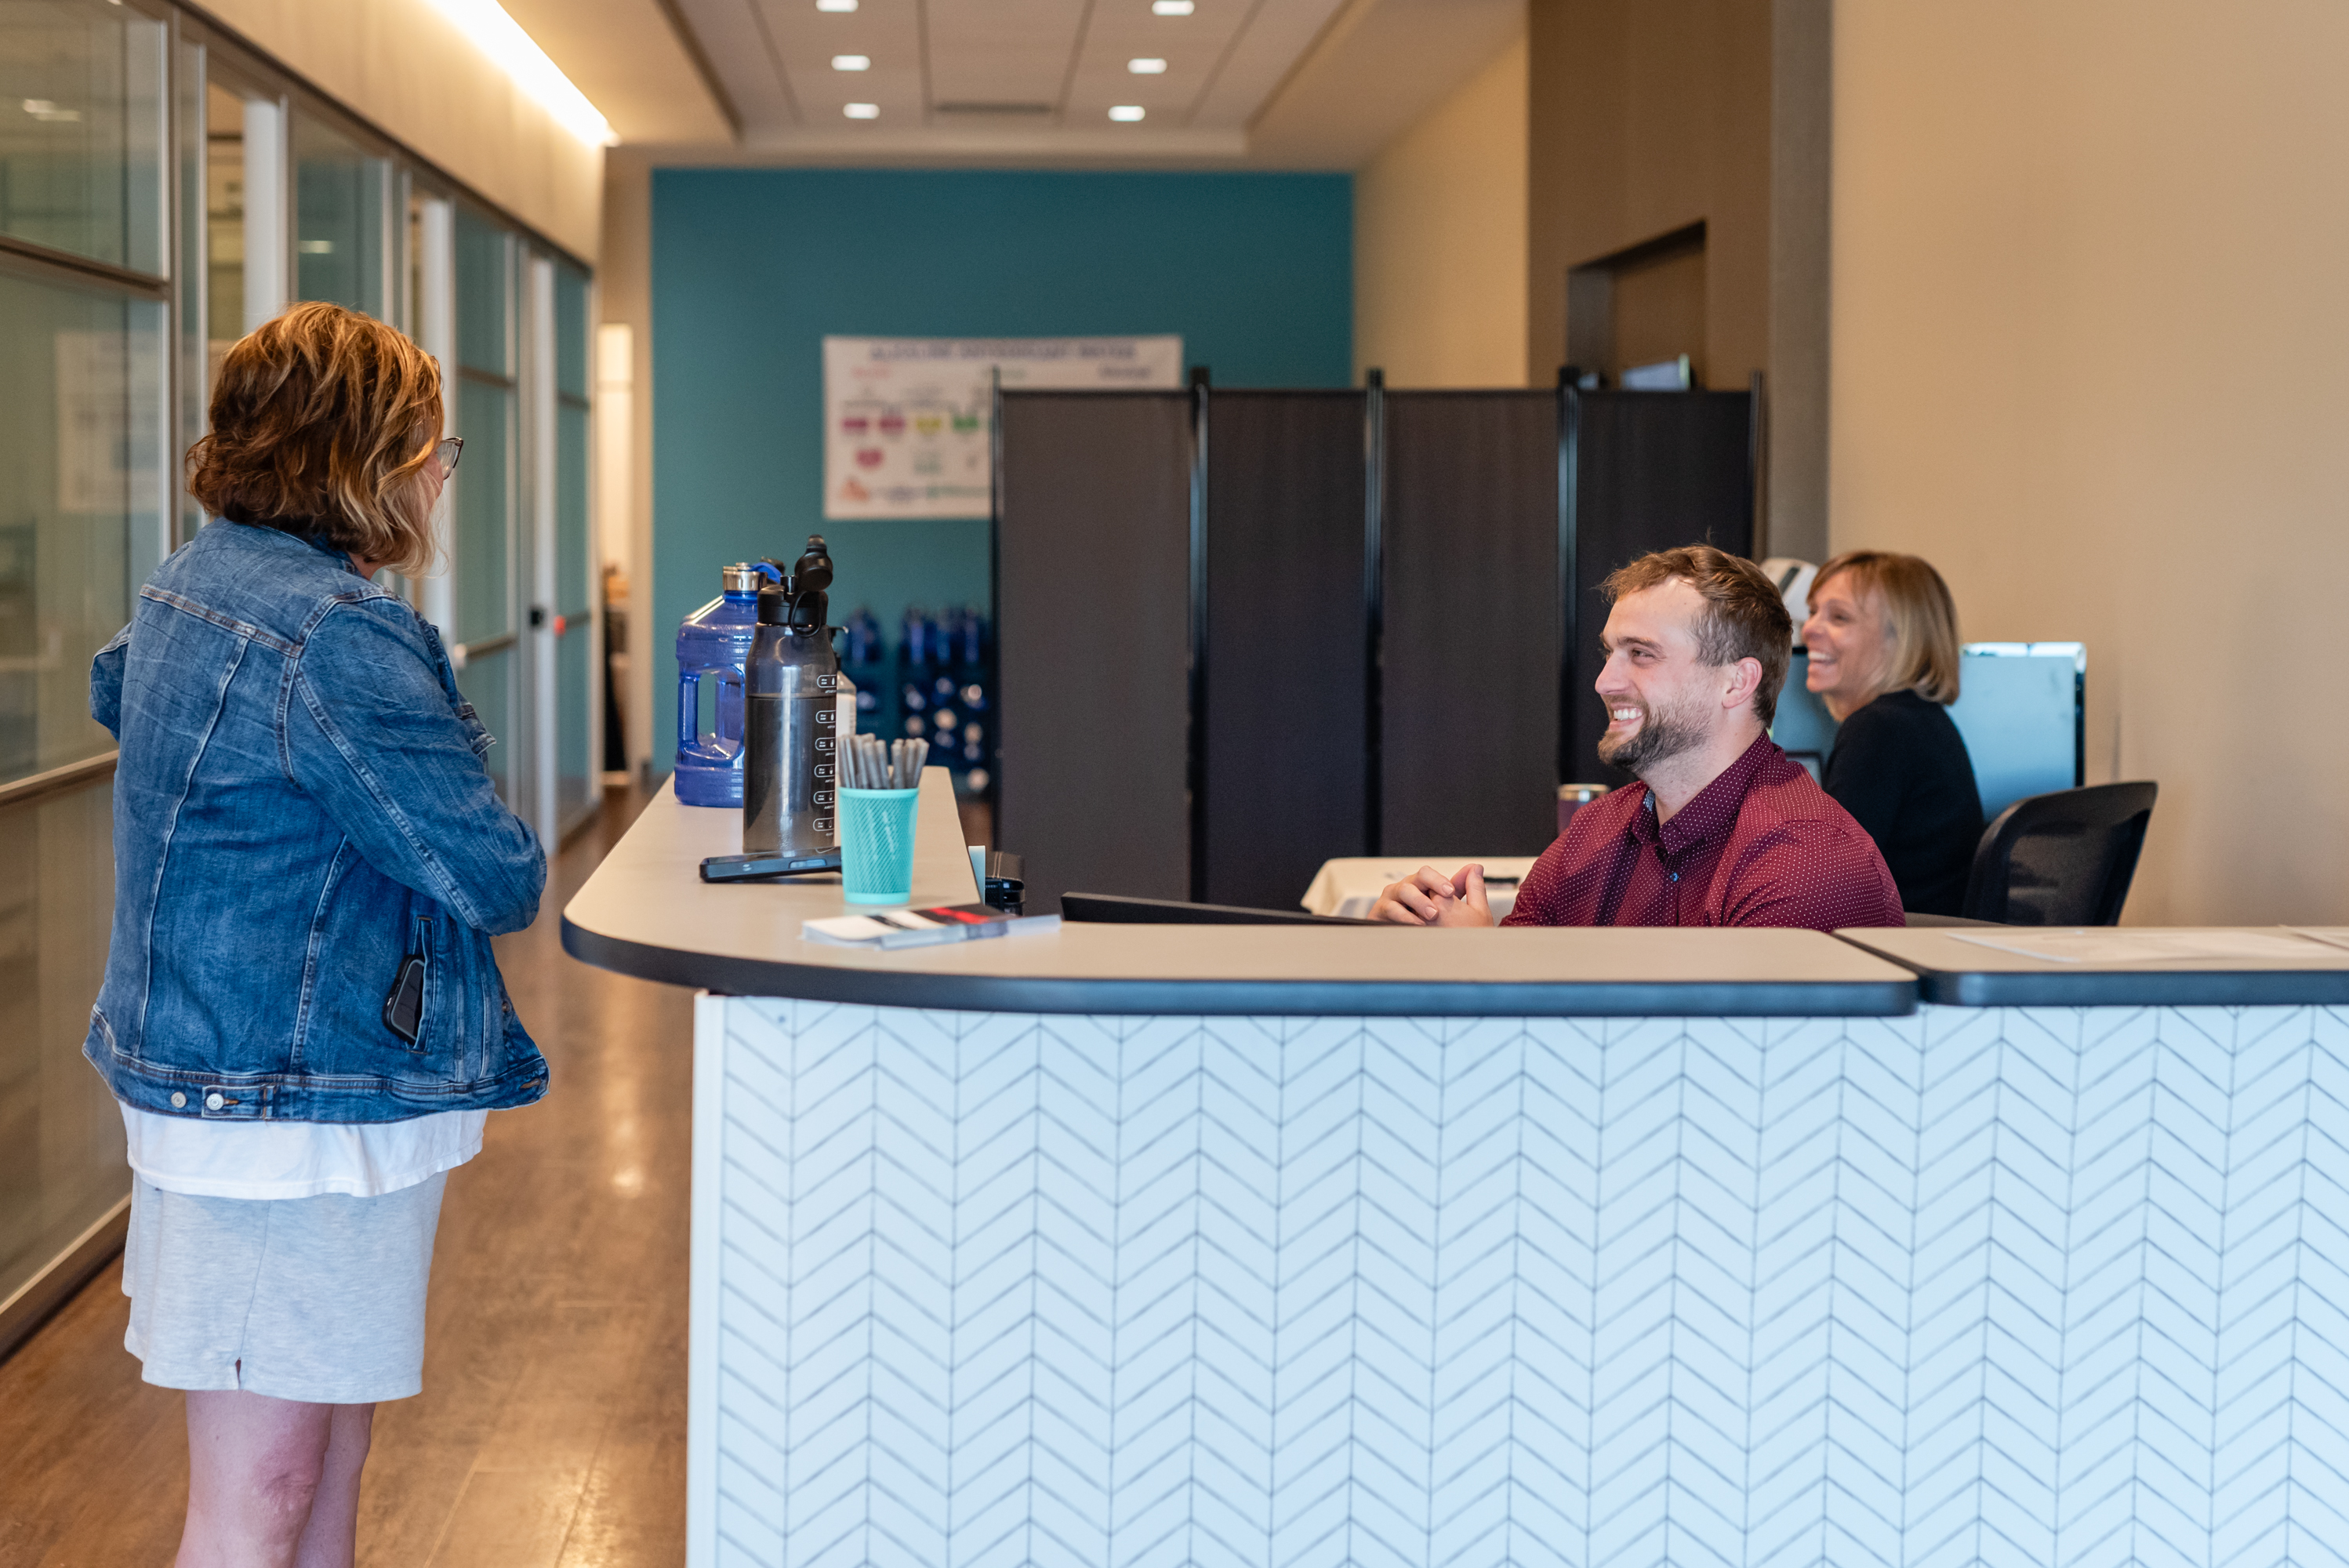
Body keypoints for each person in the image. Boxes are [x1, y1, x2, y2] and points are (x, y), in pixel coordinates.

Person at [87, 302, 546, 1567]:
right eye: (429, 448)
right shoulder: (335, 633)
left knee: (325, 1466)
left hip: (249, 1087)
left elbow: (116, 688)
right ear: (361, 458)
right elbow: (496, 872)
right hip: (280, 1123)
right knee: (268, 1496)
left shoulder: (194, 580)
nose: (438, 477)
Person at [1371, 545, 1902, 931]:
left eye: (1641, 654)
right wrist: (1403, 948)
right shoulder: (1597, 830)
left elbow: (1716, 1051)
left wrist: (1478, 964)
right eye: (1610, 653)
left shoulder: (1806, 860)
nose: (1604, 682)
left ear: (1737, 682)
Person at [1800, 550, 1983, 915]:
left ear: (1899, 640)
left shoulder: (1879, 730)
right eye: (1813, 612)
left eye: (1839, 617)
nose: (1808, 630)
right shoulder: (1919, 720)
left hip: (1896, 941)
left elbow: (1825, 882)